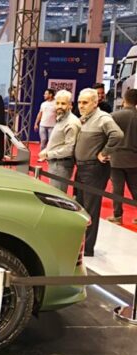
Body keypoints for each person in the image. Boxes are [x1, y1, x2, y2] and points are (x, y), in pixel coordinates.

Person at [74, 88, 124, 256]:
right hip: (82, 168)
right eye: (79, 102)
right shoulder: (85, 119)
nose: (81, 105)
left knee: (90, 210)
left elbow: (117, 135)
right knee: (81, 208)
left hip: (94, 169)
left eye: (85, 102)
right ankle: (80, 245)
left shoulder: (103, 118)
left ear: (95, 103)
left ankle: (87, 249)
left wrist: (105, 152)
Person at [101, 88, 137, 225]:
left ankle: (117, 216)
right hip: (134, 159)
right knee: (135, 189)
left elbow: (105, 135)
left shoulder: (114, 116)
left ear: (124, 99)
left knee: (117, 189)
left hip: (116, 158)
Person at [38, 90, 80, 193]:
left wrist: (48, 154)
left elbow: (69, 149)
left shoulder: (71, 123)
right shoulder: (61, 118)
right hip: (56, 164)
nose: (59, 106)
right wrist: (47, 150)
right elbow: (58, 141)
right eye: (57, 103)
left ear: (70, 105)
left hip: (61, 166)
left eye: (63, 103)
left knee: (57, 196)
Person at [34, 88, 57, 153]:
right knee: (43, 140)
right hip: (42, 125)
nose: (44, 95)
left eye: (46, 94)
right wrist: (36, 123)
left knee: (51, 141)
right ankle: (42, 154)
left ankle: (49, 155)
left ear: (51, 95)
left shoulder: (56, 103)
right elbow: (40, 114)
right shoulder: (43, 104)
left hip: (52, 126)